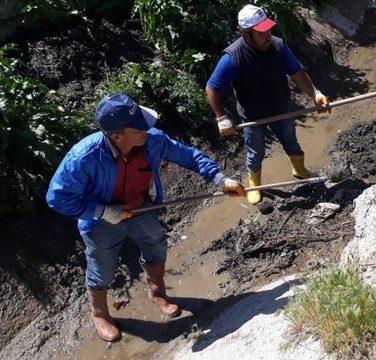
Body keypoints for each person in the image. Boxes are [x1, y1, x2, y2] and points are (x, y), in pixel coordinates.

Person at [46, 94, 245, 342]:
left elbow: (189, 156)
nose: (147, 129)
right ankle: (100, 314)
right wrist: (104, 211)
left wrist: (219, 179)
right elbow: (57, 197)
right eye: (139, 126)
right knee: (102, 267)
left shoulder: (151, 140)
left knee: (155, 244)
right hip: (100, 222)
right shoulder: (83, 157)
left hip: (141, 209)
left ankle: (158, 293)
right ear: (117, 136)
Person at [205, 4, 330, 205]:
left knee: (290, 140)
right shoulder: (233, 58)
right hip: (253, 117)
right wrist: (221, 118)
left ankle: (299, 169)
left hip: (281, 108)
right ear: (246, 35)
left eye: (269, 29)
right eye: (261, 32)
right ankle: (254, 185)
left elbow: (297, 72)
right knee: (255, 152)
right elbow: (212, 88)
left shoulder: (278, 46)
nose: (268, 35)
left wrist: (316, 93)